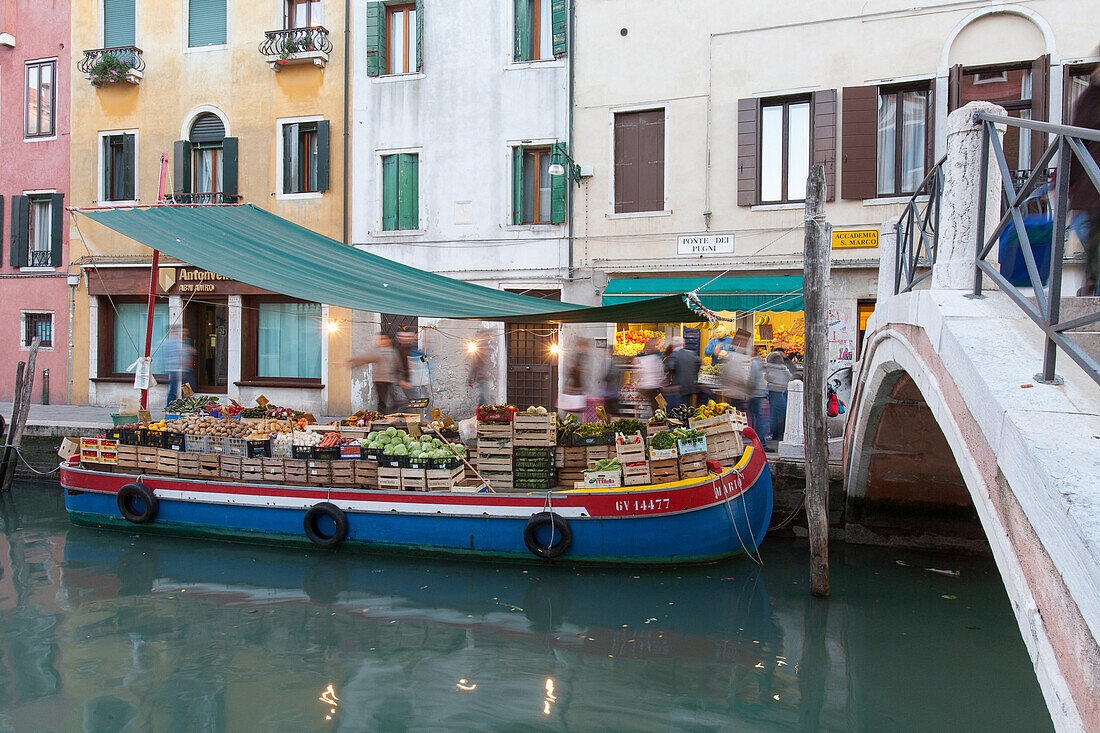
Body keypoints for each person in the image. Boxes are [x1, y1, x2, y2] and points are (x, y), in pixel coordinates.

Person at [1069, 60, 1100, 296]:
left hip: (1091, 193)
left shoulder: (1092, 96)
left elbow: (1074, 141)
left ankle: (1093, 290)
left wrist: (1068, 184)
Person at [343, 333, 403, 413]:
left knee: (395, 400)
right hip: (380, 380)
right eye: (380, 340)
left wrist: (401, 379)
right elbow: (365, 358)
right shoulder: (377, 351)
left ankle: (389, 413)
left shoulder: (393, 352)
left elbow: (398, 366)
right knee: (382, 401)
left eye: (383, 339)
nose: (381, 342)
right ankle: (382, 416)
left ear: (388, 340)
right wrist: (351, 361)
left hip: (391, 379)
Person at [162, 326, 196, 408]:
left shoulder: (183, 342)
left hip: (184, 370)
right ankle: (169, 408)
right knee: (173, 391)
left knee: (188, 390)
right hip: (174, 370)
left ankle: (187, 406)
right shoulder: (169, 343)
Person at [396, 329, 429, 413]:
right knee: (419, 402)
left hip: (415, 381)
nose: (407, 338)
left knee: (417, 402)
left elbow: (422, 359)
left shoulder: (412, 347)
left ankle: (401, 414)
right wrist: (402, 380)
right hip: (407, 381)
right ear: (399, 337)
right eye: (404, 336)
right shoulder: (398, 350)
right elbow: (397, 366)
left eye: (409, 336)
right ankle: (400, 413)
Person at [664, 336, 701, 410]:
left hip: (680, 387)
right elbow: (699, 362)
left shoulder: (674, 356)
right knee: (687, 407)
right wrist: (694, 373)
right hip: (691, 386)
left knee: (680, 409)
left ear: (673, 345)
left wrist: (665, 366)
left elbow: (670, 367)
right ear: (683, 344)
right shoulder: (691, 354)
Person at [764, 346, 793, 443]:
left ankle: (775, 434)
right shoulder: (783, 367)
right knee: (780, 413)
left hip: (774, 391)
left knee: (775, 414)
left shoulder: (770, 368)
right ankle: (779, 433)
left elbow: (767, 377)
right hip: (781, 391)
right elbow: (789, 376)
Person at [633, 336, 666, 414]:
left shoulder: (643, 359)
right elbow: (661, 371)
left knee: (657, 403)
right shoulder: (655, 358)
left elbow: (637, 371)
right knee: (657, 404)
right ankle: (657, 419)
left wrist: (635, 382)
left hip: (648, 386)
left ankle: (657, 416)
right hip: (653, 387)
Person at [468, 329, 493, 407]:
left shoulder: (483, 349)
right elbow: (474, 365)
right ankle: (480, 414)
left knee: (484, 397)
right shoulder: (479, 351)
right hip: (482, 378)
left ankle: (481, 414)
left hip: (484, 377)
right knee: (484, 398)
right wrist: (471, 379)